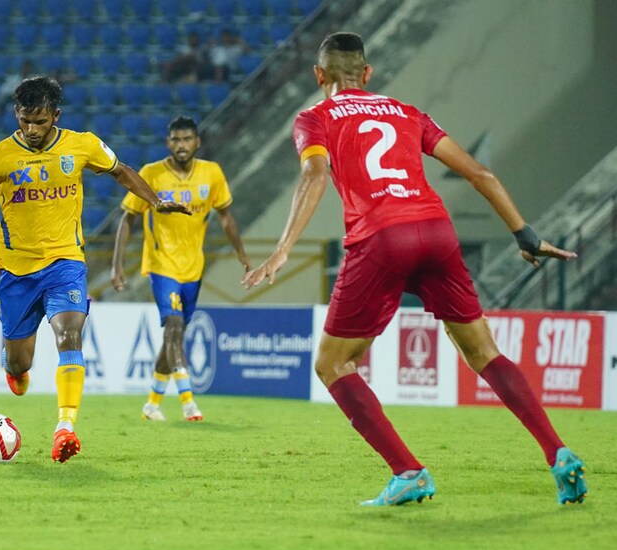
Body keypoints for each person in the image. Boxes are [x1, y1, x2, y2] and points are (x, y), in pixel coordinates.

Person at [242, 32, 587, 506]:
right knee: (485, 352)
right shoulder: (407, 113)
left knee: (332, 363)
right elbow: (480, 174)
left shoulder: (313, 117)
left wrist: (283, 249)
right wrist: (523, 233)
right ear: (368, 74)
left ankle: (408, 471)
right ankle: (559, 452)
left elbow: (315, 173)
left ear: (319, 76)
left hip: (382, 237)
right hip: (436, 230)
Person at [0, 76, 190, 463]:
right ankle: (16, 371)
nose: (32, 129)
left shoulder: (83, 144)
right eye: (25, 120)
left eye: (40, 121)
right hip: (17, 270)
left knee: (70, 334)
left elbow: (121, 170)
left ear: (56, 115)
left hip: (65, 262)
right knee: (20, 363)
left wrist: (155, 201)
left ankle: (65, 428)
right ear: (16, 115)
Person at [111, 116, 250, 422]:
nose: (181, 145)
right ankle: (188, 401)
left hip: (194, 268)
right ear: (168, 143)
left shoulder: (211, 173)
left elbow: (225, 216)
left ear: (197, 142)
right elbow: (128, 217)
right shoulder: (151, 174)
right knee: (174, 327)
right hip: (161, 265)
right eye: (175, 139)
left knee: (174, 336)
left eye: (187, 139)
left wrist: (241, 253)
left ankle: (151, 403)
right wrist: (118, 264)